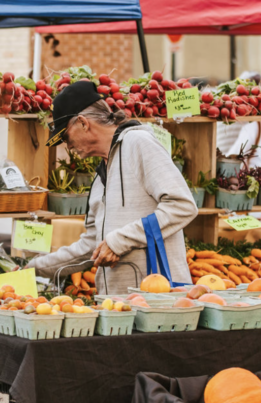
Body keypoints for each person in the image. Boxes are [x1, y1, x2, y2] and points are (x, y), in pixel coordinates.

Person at [27, 80, 198, 293]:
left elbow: (183, 205)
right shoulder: (99, 178)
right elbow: (91, 246)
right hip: (117, 310)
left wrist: (119, 240)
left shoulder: (138, 143)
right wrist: (34, 267)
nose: (67, 146)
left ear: (82, 122)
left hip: (157, 302)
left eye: (65, 136)